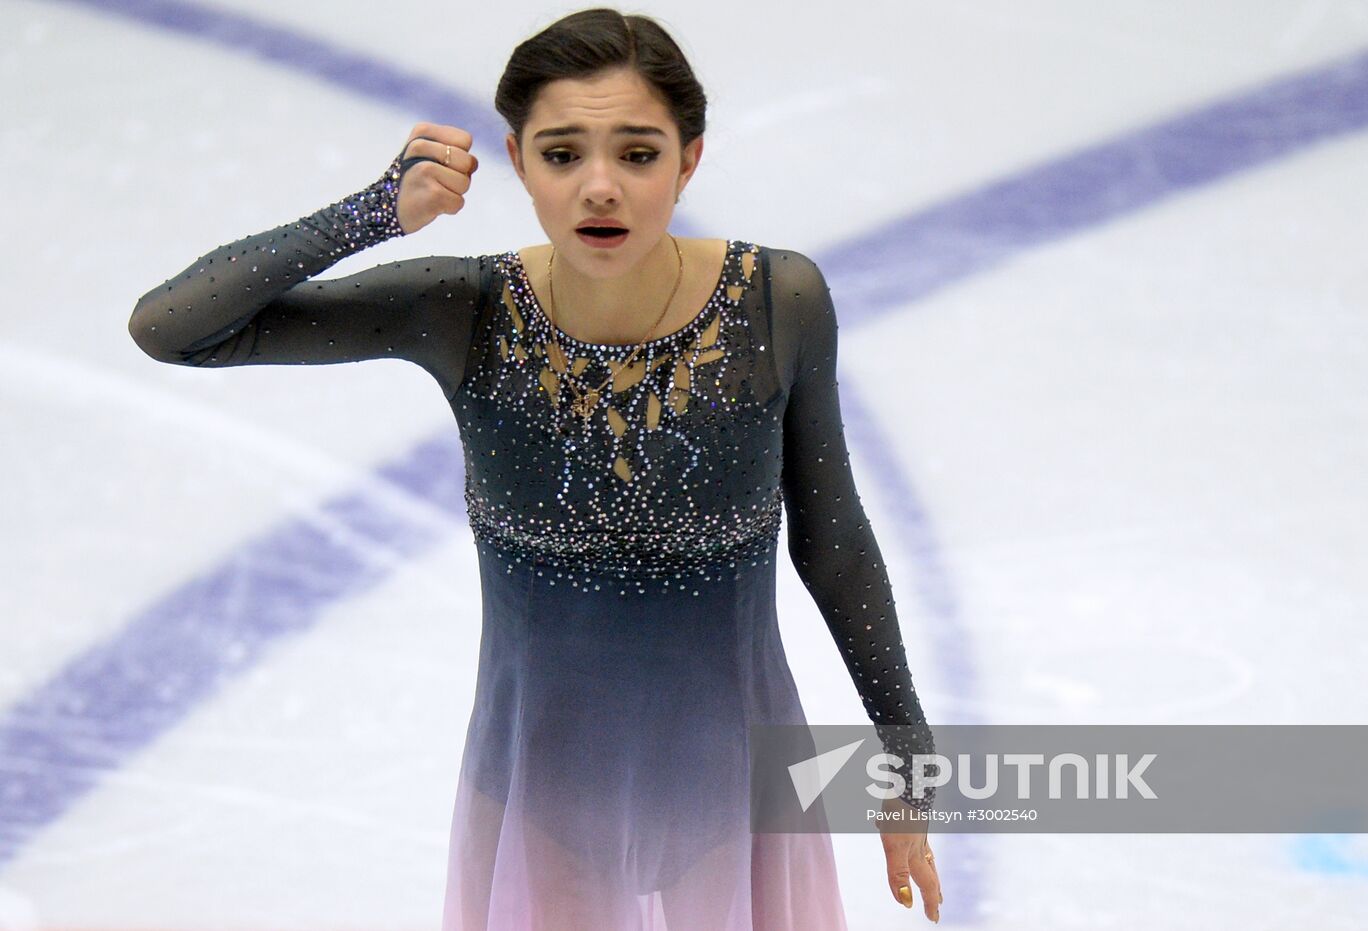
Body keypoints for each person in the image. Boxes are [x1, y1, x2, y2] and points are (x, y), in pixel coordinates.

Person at [128, 7, 942, 928]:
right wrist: (371, 213)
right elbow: (172, 330)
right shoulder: (464, 311)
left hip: (739, 795)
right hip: (538, 801)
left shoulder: (776, 300)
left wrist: (905, 763)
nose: (601, 188)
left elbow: (833, 544)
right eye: (563, 155)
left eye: (637, 154)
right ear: (518, 162)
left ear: (690, 160)